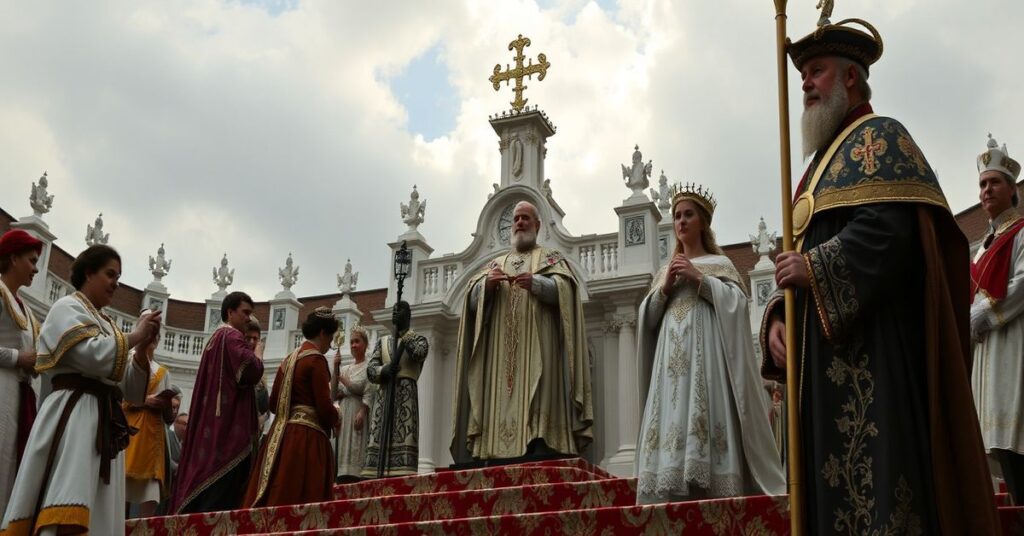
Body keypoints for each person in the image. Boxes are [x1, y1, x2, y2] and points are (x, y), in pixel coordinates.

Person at [760, 16, 999, 533]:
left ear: (850, 78)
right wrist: (780, 314)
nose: (804, 82)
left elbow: (891, 234)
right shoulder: (816, 167)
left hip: (872, 360)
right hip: (818, 368)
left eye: (816, 71)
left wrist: (817, 269)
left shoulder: (881, 139)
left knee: (878, 492)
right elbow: (797, 256)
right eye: (802, 73)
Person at [634, 184, 784, 503]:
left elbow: (738, 306)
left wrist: (700, 279)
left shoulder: (721, 264)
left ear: (702, 221)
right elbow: (646, 320)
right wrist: (664, 289)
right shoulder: (664, 271)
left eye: (688, 215)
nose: (681, 221)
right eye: (677, 216)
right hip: (670, 360)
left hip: (706, 357)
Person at [0, 244, 161, 535]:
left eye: (119, 276)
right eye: (110, 274)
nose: (116, 283)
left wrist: (141, 352)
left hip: (105, 424)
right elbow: (92, 356)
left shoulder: (111, 326)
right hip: (74, 416)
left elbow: (133, 393)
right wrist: (135, 336)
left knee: (99, 507)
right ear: (89, 272)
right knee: (69, 497)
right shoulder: (67, 307)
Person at [451, 200, 593, 463]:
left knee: (538, 387)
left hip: (540, 346)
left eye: (526, 218)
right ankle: (492, 445)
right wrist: (486, 288)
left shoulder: (551, 259)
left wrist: (538, 283)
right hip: (500, 354)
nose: (520, 223)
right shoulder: (495, 264)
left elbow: (567, 294)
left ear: (537, 225)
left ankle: (540, 438)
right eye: (516, 219)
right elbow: (470, 305)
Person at [169, 291, 264, 514]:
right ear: (230, 312)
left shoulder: (215, 339)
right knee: (221, 502)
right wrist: (258, 354)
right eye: (245, 312)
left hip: (211, 429)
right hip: (227, 435)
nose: (249, 318)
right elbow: (250, 371)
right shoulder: (232, 338)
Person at [970, 134, 1024, 505]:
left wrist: (981, 314)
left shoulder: (1021, 233)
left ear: (1011, 189)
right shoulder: (983, 244)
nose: (986, 191)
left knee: (1017, 444)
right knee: (1002, 450)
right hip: (987, 352)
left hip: (1012, 345)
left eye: (994, 183)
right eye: (982, 184)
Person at [243, 308, 340, 507]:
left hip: (280, 438)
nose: (331, 343)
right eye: (330, 336)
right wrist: (337, 414)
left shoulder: (288, 360)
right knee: (304, 498)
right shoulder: (316, 360)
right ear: (323, 333)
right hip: (307, 440)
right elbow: (324, 408)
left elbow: (272, 404)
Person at [0, 230, 42, 518]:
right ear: (12, 258)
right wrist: (19, 358)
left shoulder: (25, 308)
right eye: (31, 260)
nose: (37, 268)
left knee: (11, 467)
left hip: (20, 395)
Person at [362, 301, 428, 477]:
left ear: (408, 315)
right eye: (393, 311)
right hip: (384, 396)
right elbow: (370, 369)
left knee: (403, 434)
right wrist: (384, 370)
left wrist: (406, 337)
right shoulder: (383, 342)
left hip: (405, 397)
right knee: (379, 435)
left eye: (399, 311)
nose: (394, 314)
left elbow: (419, 353)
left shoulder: (418, 339)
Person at [123, 333, 175, 518]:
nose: (153, 337)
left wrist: (166, 404)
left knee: (150, 499)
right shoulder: (127, 364)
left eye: (156, 334)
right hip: (130, 434)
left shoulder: (163, 372)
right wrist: (145, 401)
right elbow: (117, 399)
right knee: (123, 493)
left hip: (154, 440)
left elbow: (169, 418)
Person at [334, 324, 376, 483]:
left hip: (358, 411)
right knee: (343, 448)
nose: (353, 345)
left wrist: (363, 411)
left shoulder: (369, 367)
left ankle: (357, 475)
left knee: (357, 448)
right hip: (344, 412)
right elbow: (334, 393)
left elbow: (370, 391)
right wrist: (335, 367)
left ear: (365, 344)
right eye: (351, 342)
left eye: (357, 341)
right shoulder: (345, 368)